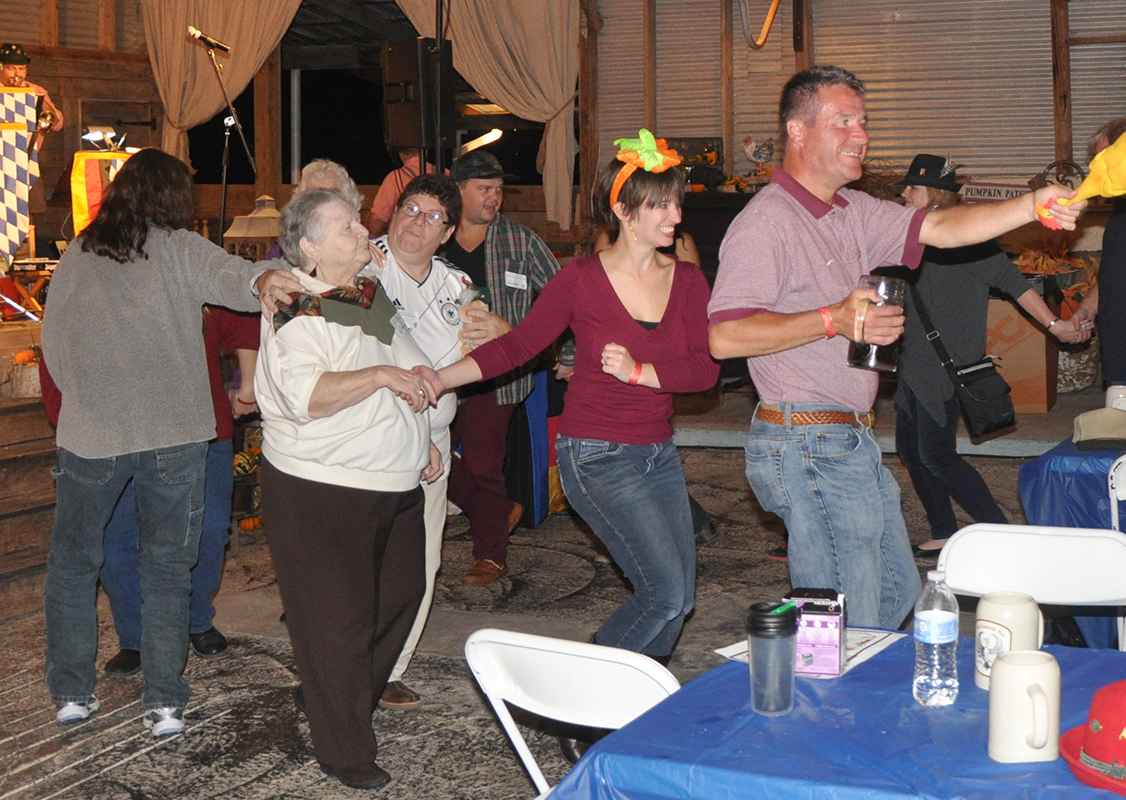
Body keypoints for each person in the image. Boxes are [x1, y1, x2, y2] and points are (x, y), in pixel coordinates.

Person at [707, 66, 1086, 630]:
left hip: (847, 437)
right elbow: (725, 335)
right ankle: (827, 709)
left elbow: (947, 228)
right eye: (844, 121)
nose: (861, 135)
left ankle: (852, 695)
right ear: (798, 131)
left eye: (864, 122)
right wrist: (834, 319)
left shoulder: (851, 211)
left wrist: (1034, 205)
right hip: (802, 440)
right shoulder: (766, 222)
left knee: (895, 591)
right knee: (845, 611)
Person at [424, 130, 719, 663]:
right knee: (665, 594)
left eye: (677, 201)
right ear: (625, 210)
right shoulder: (579, 280)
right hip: (596, 454)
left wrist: (641, 372)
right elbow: (517, 346)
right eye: (660, 204)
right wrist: (444, 379)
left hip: (659, 454)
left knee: (679, 599)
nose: (675, 215)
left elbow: (704, 372)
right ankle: (587, 692)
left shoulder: (691, 281)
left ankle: (631, 699)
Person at [40, 148, 292, 736]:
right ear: (176, 197)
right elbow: (233, 276)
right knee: (168, 567)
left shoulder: (78, 253)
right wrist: (265, 278)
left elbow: (53, 344)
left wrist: (82, 402)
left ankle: (73, 694)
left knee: (74, 565)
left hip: (92, 435)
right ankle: (165, 703)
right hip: (175, 436)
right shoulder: (181, 248)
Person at [254, 189, 440, 791]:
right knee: (336, 624)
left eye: (359, 223)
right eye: (344, 228)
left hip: (394, 479)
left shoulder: (368, 293)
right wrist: (384, 377)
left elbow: (409, 363)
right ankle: (344, 747)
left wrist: (422, 432)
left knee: (399, 598)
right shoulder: (292, 306)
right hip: (321, 488)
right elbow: (309, 397)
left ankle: (332, 697)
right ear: (307, 247)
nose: (363, 232)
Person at [895, 154, 1089, 554]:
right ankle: (944, 528)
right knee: (911, 451)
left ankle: (1002, 532)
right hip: (912, 364)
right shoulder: (904, 234)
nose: (902, 193)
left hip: (945, 370)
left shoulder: (970, 237)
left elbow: (1014, 284)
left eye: (911, 187)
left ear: (932, 195)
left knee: (937, 456)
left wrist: (1056, 326)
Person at [97, 306, 261, 678]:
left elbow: (248, 325)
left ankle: (195, 619)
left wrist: (248, 387)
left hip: (202, 430)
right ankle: (135, 637)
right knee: (118, 539)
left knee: (209, 531)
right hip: (120, 434)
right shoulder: (103, 279)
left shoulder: (192, 279)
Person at [363, 174, 474, 710]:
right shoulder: (366, 264)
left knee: (422, 560)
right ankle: (349, 661)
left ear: (448, 231)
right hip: (375, 440)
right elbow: (362, 350)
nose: (417, 222)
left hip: (434, 441)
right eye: (411, 208)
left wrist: (496, 326)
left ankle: (391, 666)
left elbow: (479, 346)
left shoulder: (457, 285)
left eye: (433, 217)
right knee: (366, 557)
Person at [443, 150, 570, 586]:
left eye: (498, 190)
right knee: (422, 458)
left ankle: (490, 555)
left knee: (482, 465)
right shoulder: (433, 240)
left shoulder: (521, 241)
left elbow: (562, 301)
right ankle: (497, 512)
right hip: (439, 371)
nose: (494, 198)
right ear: (458, 191)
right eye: (484, 189)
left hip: (496, 377)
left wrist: (561, 354)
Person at [1073, 118, 1126, 396]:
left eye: (1103, 158)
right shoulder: (1119, 208)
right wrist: (1089, 307)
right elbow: (1116, 269)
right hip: (1118, 360)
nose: (1096, 168)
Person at [368, 148, 437, 237]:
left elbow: (377, 218)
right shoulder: (445, 173)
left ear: (400, 154)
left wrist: (372, 240)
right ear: (426, 151)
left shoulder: (395, 178)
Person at [0, 43, 64, 138]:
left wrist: (38, 100)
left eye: (22, 69)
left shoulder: (37, 90)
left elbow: (56, 124)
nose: (17, 73)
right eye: (11, 68)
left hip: (30, 150)